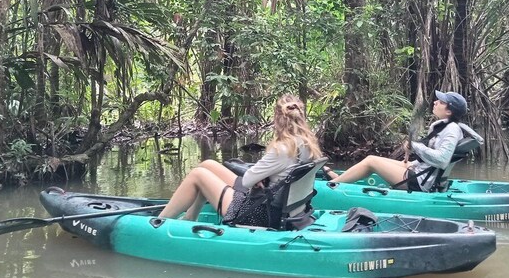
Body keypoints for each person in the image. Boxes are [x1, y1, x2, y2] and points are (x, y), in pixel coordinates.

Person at [158, 94, 323, 226]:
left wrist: (258, 177)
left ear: (278, 118)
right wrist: (262, 177)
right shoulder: (308, 145)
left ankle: (158, 222)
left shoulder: (282, 149)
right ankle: (189, 218)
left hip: (258, 212)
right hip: (276, 204)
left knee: (197, 175)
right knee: (207, 165)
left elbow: (247, 181)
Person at [322, 91, 481, 193]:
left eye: (441, 102)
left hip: (421, 181)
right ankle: (339, 179)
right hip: (423, 172)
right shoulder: (443, 126)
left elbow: (441, 160)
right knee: (371, 159)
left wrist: (415, 146)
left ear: (449, 111)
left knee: (371, 161)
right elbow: (430, 159)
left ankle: (331, 187)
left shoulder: (451, 130)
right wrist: (413, 160)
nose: (435, 102)